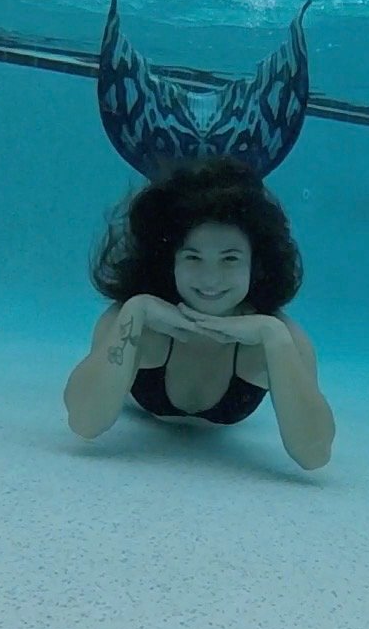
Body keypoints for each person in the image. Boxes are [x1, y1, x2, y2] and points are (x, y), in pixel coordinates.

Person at [63, 154, 335, 470]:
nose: (210, 280)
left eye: (229, 259)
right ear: (169, 262)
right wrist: (134, 313)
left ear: (257, 264)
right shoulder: (137, 322)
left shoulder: (276, 338)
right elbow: (84, 423)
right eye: (193, 257)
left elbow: (314, 455)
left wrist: (274, 337)